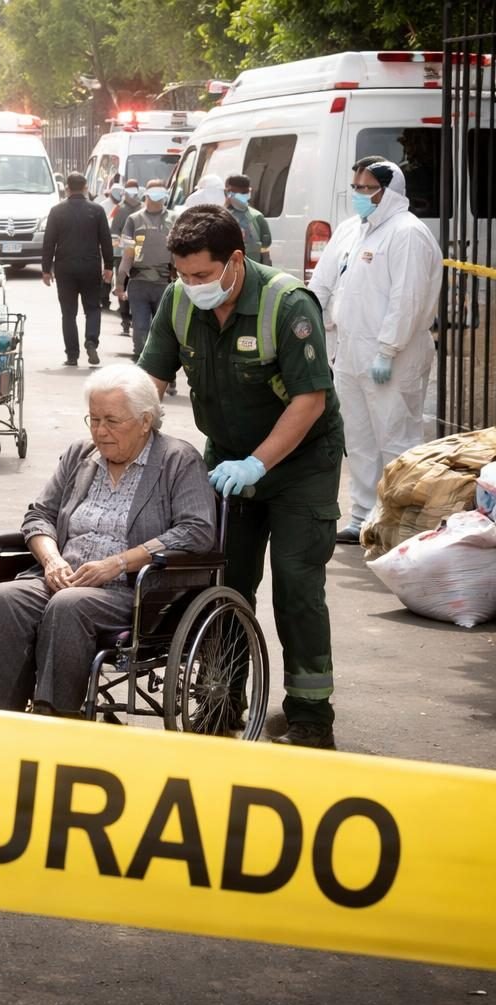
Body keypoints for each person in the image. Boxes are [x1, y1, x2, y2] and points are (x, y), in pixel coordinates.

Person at [138, 205, 345, 750]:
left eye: (202, 275)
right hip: (228, 458)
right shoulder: (180, 303)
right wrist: (122, 429)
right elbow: (150, 381)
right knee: (223, 577)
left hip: (302, 461)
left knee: (297, 583)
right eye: (181, 274)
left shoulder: (286, 303)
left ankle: (309, 716)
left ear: (235, 260)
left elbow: (309, 399)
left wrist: (260, 463)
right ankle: (224, 696)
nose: (191, 285)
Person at [0, 364, 217, 714]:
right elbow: (39, 514)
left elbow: (197, 530)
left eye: (112, 421)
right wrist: (52, 559)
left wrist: (118, 564)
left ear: (146, 421)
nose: (101, 431)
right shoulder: (80, 455)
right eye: (94, 419)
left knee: (68, 606)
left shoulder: (177, 460)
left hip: (133, 591)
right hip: (64, 579)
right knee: (7, 596)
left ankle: (55, 717)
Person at [309, 158, 442, 544]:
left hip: (393, 358)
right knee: (360, 438)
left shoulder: (407, 234)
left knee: (396, 438)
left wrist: (387, 349)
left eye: (368, 189)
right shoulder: (352, 230)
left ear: (390, 191)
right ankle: (364, 517)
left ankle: (404, 523)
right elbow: (323, 281)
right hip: (350, 353)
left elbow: (408, 298)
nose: (360, 196)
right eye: (356, 187)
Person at [41, 171, 114, 367]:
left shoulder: (57, 211)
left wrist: (46, 269)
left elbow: (49, 242)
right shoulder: (97, 210)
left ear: (66, 189)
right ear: (85, 188)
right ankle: (91, 341)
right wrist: (109, 266)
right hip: (90, 266)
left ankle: (72, 355)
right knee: (92, 308)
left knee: (68, 313)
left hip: (65, 268)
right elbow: (106, 241)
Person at [116, 178, 175, 360]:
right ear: (146, 195)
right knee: (140, 326)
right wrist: (120, 283)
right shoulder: (134, 220)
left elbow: (179, 252)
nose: (157, 199)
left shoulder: (174, 219)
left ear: (165, 196)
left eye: (160, 194)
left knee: (162, 328)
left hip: (165, 283)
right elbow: (128, 253)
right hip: (139, 282)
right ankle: (142, 361)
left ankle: (162, 366)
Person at [110, 178, 143, 336]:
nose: (132, 195)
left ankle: (136, 318)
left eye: (134, 191)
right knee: (122, 285)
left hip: (140, 257)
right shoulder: (120, 210)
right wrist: (120, 243)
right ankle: (125, 318)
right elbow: (113, 232)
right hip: (122, 256)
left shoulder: (144, 209)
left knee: (136, 288)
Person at [224, 174, 272, 265]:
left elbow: (265, 249)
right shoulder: (222, 217)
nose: (242, 195)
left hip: (252, 271)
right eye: (239, 192)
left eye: (244, 192)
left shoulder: (257, 217)